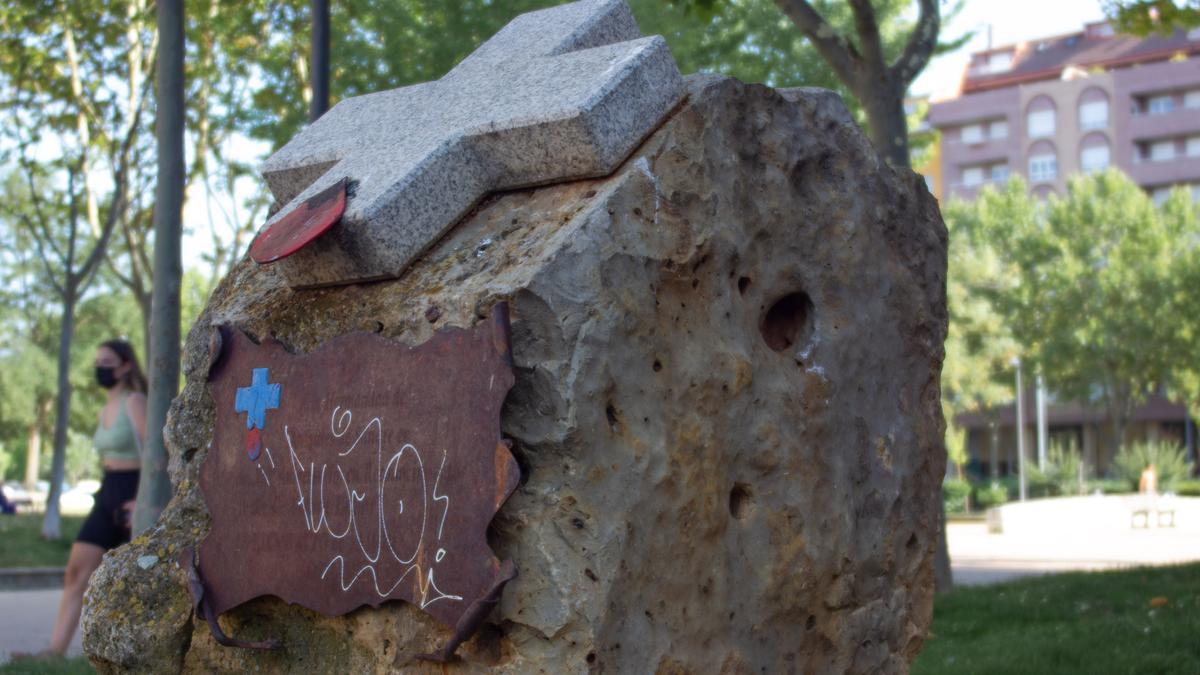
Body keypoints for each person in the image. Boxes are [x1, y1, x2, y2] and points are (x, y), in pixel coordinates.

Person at [33, 340, 147, 657]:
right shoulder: (102, 410)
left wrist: (144, 500)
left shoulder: (134, 401)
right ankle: (55, 650)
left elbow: (157, 452)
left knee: (137, 577)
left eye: (107, 362)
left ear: (125, 366)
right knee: (75, 570)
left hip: (134, 489)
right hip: (107, 489)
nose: (101, 368)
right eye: (98, 362)